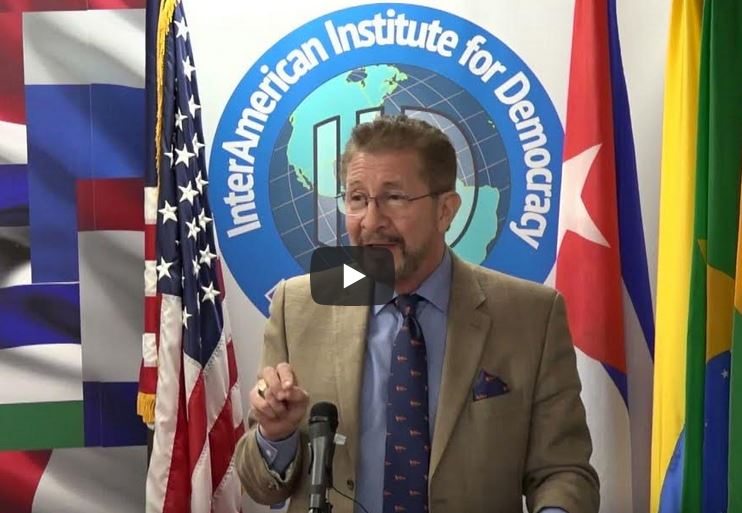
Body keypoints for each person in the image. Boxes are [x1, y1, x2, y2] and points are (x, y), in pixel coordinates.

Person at [235, 115, 599, 513]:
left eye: (394, 198)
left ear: (446, 211)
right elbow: (262, 488)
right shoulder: (299, 305)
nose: (371, 221)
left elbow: (562, 471)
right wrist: (275, 436)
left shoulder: (531, 315)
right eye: (357, 199)